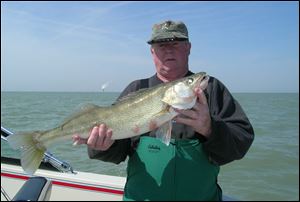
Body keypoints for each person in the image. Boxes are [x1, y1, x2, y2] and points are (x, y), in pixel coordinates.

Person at [73, 20, 255, 201]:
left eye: (175, 43)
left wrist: (210, 129)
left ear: (188, 48)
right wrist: (104, 146)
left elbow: (241, 143)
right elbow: (118, 152)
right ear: (152, 52)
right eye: (161, 45)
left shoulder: (212, 89)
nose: (168, 50)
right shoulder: (135, 89)